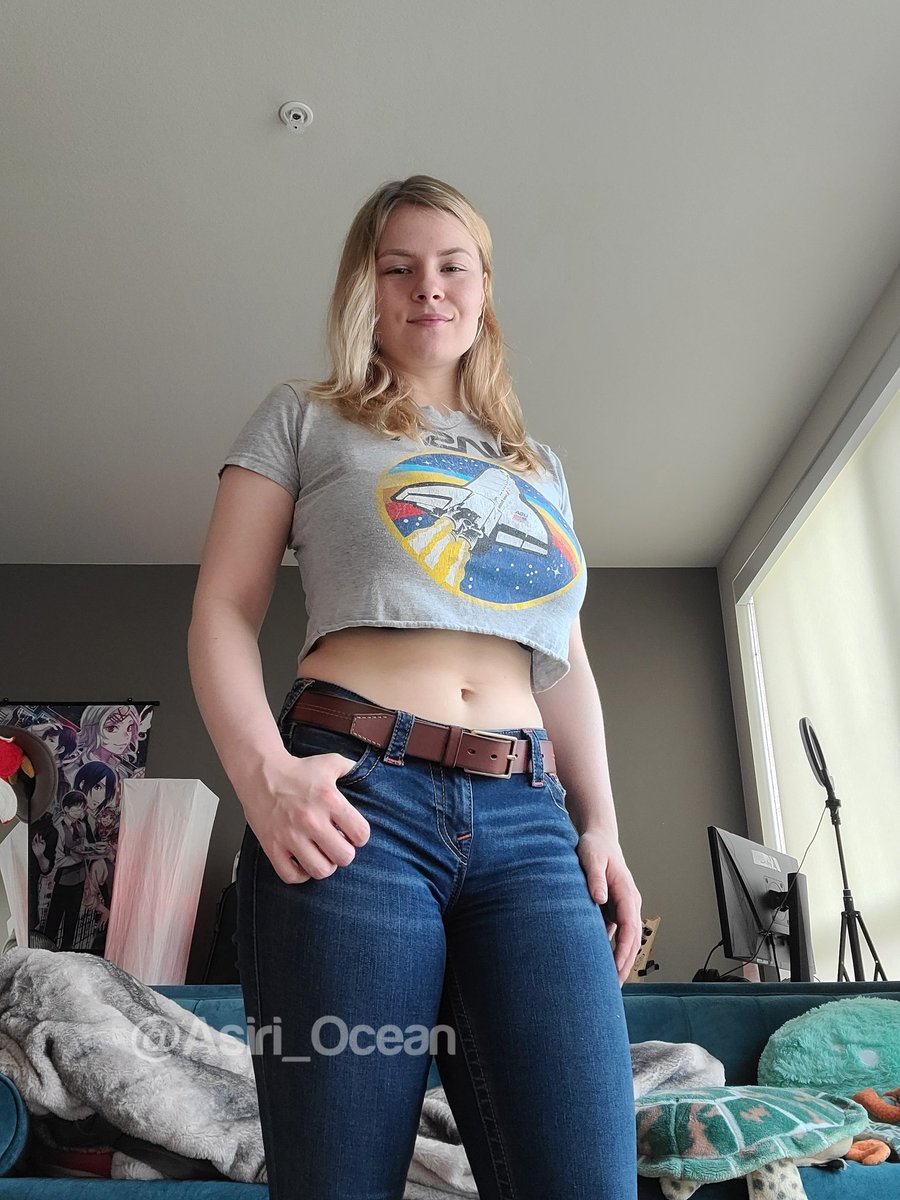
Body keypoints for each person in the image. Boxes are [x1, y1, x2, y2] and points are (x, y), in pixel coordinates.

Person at [188, 175, 641, 1200]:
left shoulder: (537, 464)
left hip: (529, 820)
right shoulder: (303, 417)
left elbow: (564, 656)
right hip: (359, 803)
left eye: (452, 266)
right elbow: (222, 607)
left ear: (484, 290)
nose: (427, 287)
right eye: (398, 267)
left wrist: (602, 825)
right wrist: (263, 775)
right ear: (367, 290)